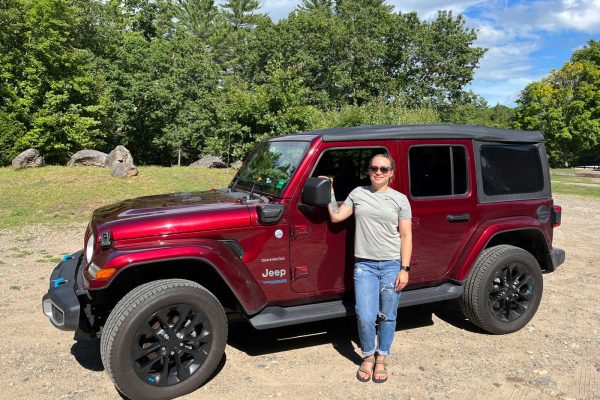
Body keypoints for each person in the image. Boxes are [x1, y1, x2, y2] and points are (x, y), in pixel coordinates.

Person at [321, 153, 412, 383]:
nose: (378, 172)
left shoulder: (400, 199)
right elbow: (336, 216)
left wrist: (405, 269)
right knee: (365, 314)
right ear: (368, 171)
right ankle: (368, 355)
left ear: (391, 173)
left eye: (383, 169)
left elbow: (406, 235)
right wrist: (330, 191)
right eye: (373, 168)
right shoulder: (358, 193)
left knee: (388, 315)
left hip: (392, 264)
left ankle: (382, 356)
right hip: (365, 266)